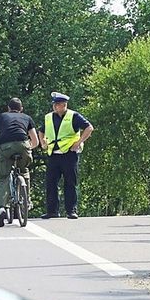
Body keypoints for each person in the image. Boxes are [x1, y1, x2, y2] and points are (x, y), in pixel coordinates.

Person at [0, 97, 39, 227]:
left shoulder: (1, 117)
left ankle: (2, 208)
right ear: (21, 109)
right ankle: (26, 200)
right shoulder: (27, 118)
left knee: (3, 177)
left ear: (8, 108)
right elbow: (35, 141)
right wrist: (28, 149)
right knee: (24, 170)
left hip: (5, 148)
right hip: (23, 146)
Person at [40, 92, 93, 220]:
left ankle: (71, 210)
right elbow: (41, 131)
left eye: (57, 104)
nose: (55, 106)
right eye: (54, 104)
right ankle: (52, 211)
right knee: (51, 183)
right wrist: (43, 143)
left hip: (69, 154)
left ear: (64, 105)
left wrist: (79, 142)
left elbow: (89, 128)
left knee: (70, 183)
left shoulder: (73, 116)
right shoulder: (49, 117)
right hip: (53, 154)